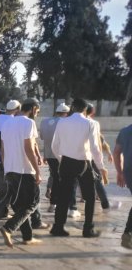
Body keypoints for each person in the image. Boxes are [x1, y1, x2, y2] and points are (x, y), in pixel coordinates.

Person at [50, 98, 105, 238]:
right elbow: (95, 147)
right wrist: (101, 166)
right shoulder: (91, 123)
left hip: (66, 162)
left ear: (72, 108)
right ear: (85, 109)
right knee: (90, 197)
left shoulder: (62, 122)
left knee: (63, 196)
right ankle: (88, 229)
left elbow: (54, 146)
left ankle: (58, 227)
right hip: (83, 163)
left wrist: (61, 159)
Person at [0, 99, 43, 247]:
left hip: (10, 169)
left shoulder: (6, 124)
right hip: (24, 169)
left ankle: (27, 237)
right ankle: (9, 227)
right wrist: (37, 170)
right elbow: (28, 148)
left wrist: (5, 168)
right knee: (33, 202)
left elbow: (2, 149)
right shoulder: (29, 123)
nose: (37, 113)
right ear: (33, 108)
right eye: (37, 110)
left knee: (19, 205)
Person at [0, 100, 19, 230]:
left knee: (7, 188)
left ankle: (4, 211)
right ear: (18, 109)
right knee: (5, 190)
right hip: (8, 160)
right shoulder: (14, 121)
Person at [39, 103, 70, 214]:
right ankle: (56, 203)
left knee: (55, 177)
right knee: (61, 179)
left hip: (49, 154)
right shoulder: (65, 122)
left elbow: (42, 137)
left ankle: (54, 202)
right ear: (66, 113)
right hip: (62, 155)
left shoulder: (44, 122)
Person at [114, 122, 132, 249]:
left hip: (128, 171)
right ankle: (127, 232)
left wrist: (120, 173)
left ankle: (128, 232)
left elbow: (116, 153)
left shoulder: (124, 131)